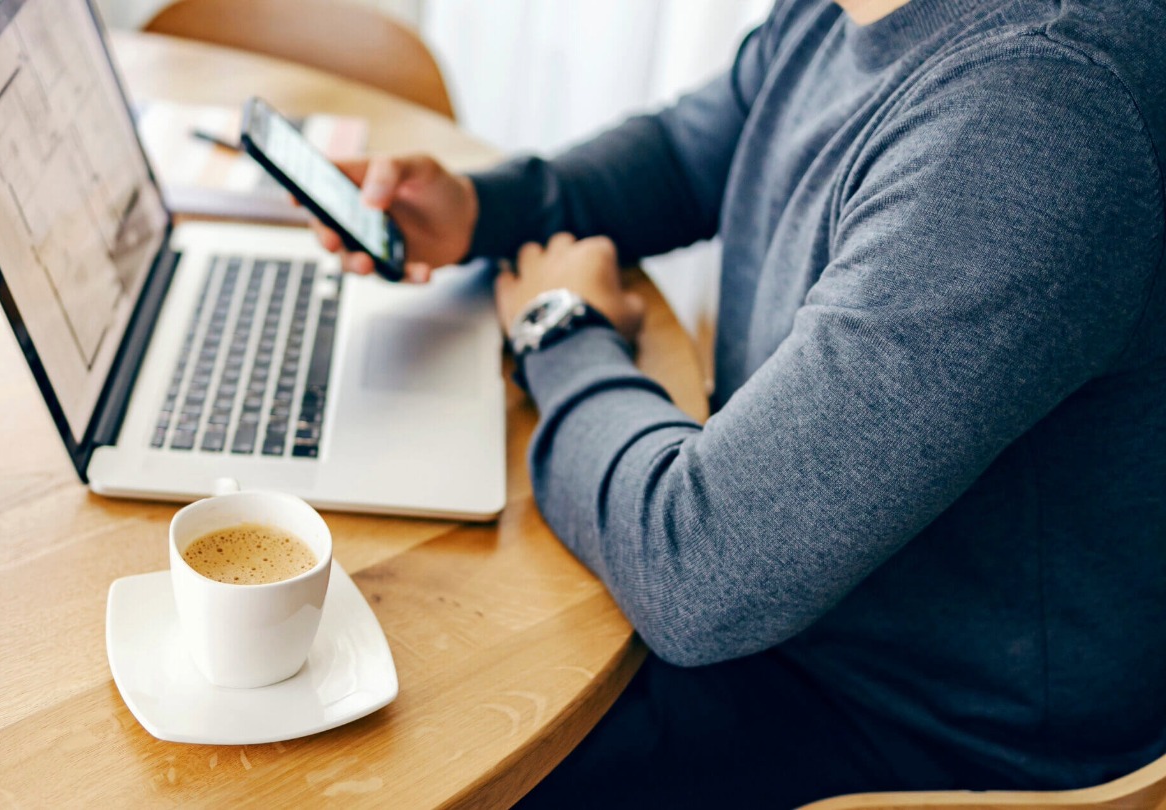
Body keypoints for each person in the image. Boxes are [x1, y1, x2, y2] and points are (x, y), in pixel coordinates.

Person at [309, 0, 1166, 805]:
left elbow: (696, 571)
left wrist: (558, 332)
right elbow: (693, 151)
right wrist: (491, 209)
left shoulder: (1032, 122)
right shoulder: (859, 13)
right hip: (793, 602)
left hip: (920, 733)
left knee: (380, 759)